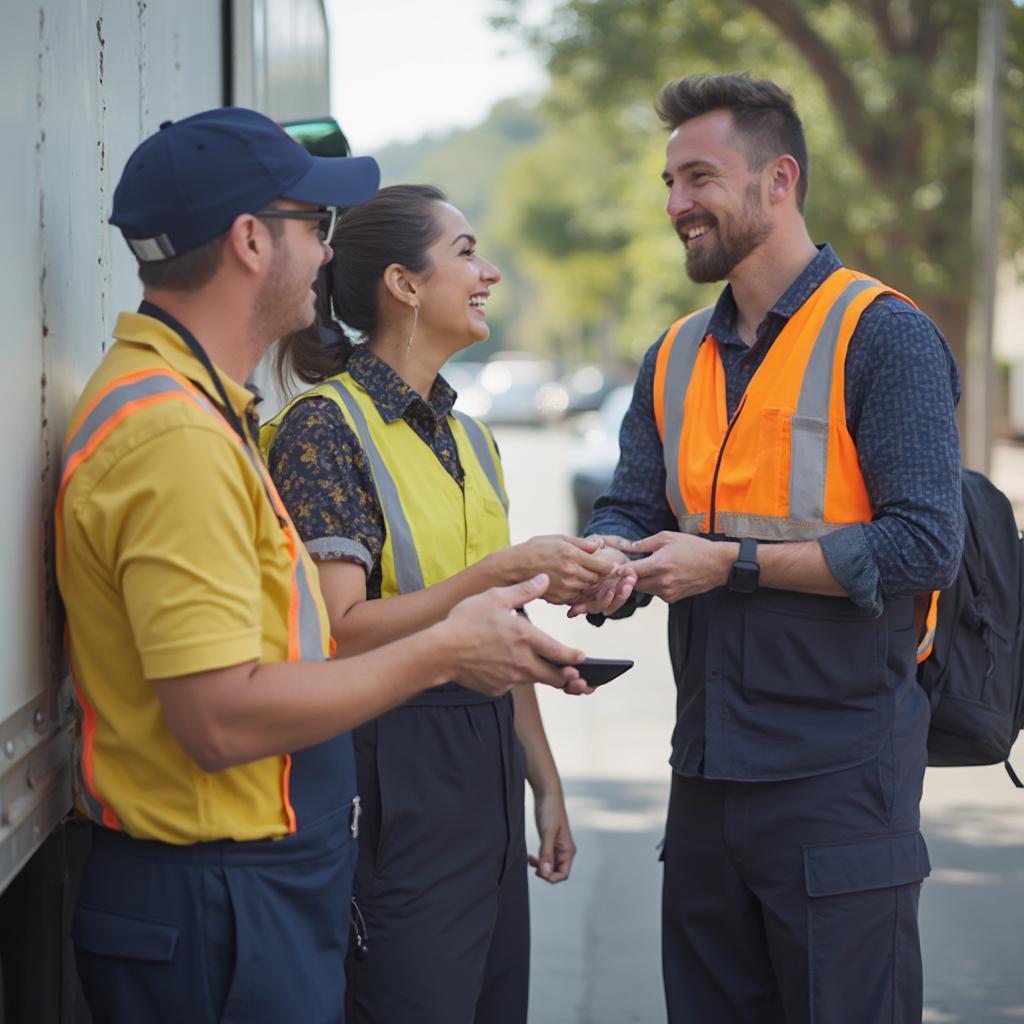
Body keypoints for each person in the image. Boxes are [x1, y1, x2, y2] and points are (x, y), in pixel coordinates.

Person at [55, 109, 590, 1024]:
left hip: (241, 883)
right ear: (251, 241)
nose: (325, 254)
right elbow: (221, 719)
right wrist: (445, 649)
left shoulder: (196, 413)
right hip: (216, 895)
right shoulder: (175, 436)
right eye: (315, 226)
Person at [570, 73, 963, 1023]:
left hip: (840, 779)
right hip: (705, 776)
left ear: (778, 180)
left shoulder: (887, 336)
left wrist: (731, 564)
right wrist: (604, 563)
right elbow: (631, 502)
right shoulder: (670, 356)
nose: (676, 206)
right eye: (668, 183)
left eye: (699, 177)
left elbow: (923, 546)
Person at [262, 183, 613, 1024]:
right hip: (392, 774)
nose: (488, 272)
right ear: (404, 284)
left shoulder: (472, 437)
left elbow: (504, 626)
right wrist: (493, 576)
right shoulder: (324, 428)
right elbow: (339, 634)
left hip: (485, 773)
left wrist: (544, 783)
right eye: (465, 253)